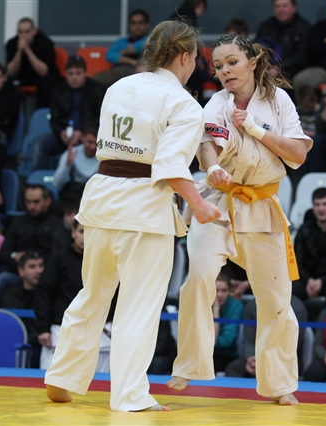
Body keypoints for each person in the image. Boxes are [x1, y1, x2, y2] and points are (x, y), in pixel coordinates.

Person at [44, 20, 220, 412]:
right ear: (185, 57)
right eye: (196, 58)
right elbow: (171, 166)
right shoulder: (183, 104)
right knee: (139, 305)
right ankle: (129, 395)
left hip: (103, 198)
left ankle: (62, 376)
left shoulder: (119, 86)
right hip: (144, 208)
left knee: (93, 292)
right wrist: (199, 203)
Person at [168, 33, 313, 406]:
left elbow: (298, 154)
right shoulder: (216, 104)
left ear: (253, 61)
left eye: (232, 62)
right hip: (219, 201)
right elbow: (207, 146)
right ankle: (189, 364)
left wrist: (255, 129)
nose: (225, 71)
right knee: (199, 276)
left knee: (276, 299)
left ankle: (280, 384)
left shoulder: (278, 101)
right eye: (218, 66)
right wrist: (212, 168)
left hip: (262, 205)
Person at [0, 184, 63, 307]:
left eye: (36, 202)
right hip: (17, 272)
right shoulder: (17, 222)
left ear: (47, 201)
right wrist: (17, 257)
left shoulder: (57, 224)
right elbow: (3, 253)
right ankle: (0, 317)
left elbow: (59, 255)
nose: (31, 206)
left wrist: (37, 263)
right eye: (28, 202)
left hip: (46, 272)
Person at [33, 55, 106, 170]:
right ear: (66, 74)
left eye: (78, 73)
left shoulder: (98, 90)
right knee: (41, 143)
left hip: (88, 138)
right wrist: (60, 133)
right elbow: (54, 118)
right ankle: (38, 178)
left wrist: (84, 134)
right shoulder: (58, 90)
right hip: (64, 137)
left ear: (85, 73)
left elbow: (101, 118)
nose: (74, 77)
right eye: (70, 74)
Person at [35, 220, 84, 369]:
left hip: (99, 331)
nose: (86, 237)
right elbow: (43, 292)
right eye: (82, 231)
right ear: (73, 232)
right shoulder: (59, 259)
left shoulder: (104, 261)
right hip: (60, 327)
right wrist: (43, 328)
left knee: (97, 381)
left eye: (92, 233)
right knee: (50, 377)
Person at [225, 296, 308, 378]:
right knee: (233, 369)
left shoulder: (297, 308)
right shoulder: (252, 306)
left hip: (284, 359)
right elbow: (249, 340)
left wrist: (269, 361)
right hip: (257, 356)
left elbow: (291, 345)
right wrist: (251, 358)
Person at [0, 252, 45, 366]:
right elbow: (7, 325)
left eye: (41, 266)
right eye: (32, 266)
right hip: (14, 343)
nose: (38, 271)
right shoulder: (9, 294)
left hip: (42, 344)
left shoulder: (49, 294)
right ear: (21, 271)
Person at [5, 17, 60, 108]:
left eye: (27, 32)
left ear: (34, 31)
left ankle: (42, 113)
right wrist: (19, 52)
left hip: (42, 77)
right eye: (20, 32)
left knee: (46, 83)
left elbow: (43, 72)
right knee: (6, 83)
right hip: (23, 76)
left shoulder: (45, 43)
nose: (24, 35)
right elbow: (11, 72)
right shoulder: (12, 44)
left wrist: (28, 50)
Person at [92, 10, 151, 88]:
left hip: (140, 73)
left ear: (147, 25)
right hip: (119, 72)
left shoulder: (152, 39)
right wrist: (132, 61)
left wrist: (122, 52)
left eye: (140, 23)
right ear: (129, 25)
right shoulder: (122, 42)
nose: (137, 26)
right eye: (134, 23)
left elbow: (139, 46)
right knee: (94, 80)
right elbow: (109, 55)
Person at [254, 0, 311, 78]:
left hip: (291, 70)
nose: (281, 9)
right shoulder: (266, 26)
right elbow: (257, 47)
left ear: (294, 8)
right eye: (277, 6)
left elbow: (302, 57)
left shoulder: (304, 28)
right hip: (265, 67)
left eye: (285, 6)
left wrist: (279, 67)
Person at [52, 123, 100, 201]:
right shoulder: (72, 152)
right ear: (83, 138)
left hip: (94, 193)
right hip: (75, 193)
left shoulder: (104, 156)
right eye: (90, 142)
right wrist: (67, 164)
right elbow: (56, 183)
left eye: (97, 143)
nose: (93, 147)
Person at [212, 272, 244, 373]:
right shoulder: (202, 304)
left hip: (226, 355)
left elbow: (226, 341)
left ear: (230, 291)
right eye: (216, 290)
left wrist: (216, 310)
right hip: (201, 354)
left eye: (224, 290)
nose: (219, 295)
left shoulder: (236, 306)